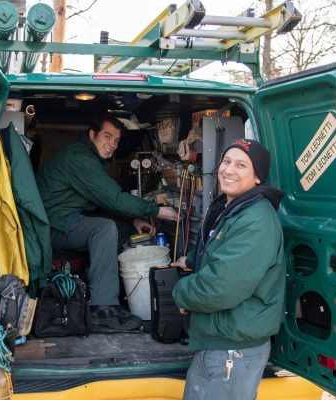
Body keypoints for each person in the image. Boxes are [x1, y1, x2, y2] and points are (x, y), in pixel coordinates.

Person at [36, 115, 178, 330]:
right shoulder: (79, 158)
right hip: (47, 228)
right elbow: (113, 198)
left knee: (122, 229)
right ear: (92, 135)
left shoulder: (85, 157)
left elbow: (101, 199)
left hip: (62, 221)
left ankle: (121, 295)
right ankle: (103, 307)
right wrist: (157, 211)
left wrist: (134, 219)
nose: (112, 144)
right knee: (104, 228)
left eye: (117, 140)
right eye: (107, 136)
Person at [171, 138, 286, 400]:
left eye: (241, 165)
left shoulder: (256, 220)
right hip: (222, 343)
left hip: (232, 353)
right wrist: (189, 261)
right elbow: (221, 250)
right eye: (226, 161)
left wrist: (180, 292)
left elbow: (220, 287)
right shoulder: (236, 208)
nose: (228, 170)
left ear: (258, 177)